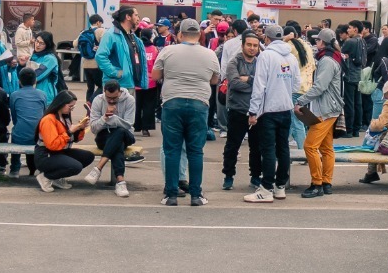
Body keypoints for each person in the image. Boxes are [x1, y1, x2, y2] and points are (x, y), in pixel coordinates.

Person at [152, 18, 222, 206]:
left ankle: (171, 194)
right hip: (199, 104)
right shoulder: (210, 54)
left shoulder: (168, 51)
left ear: (180, 35)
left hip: (172, 103)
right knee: (195, 151)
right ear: (199, 35)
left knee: (172, 150)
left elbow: (155, 75)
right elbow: (215, 80)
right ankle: (196, 195)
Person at [245, 23, 299, 202]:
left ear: (266, 39)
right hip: (286, 108)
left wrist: (253, 111)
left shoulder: (266, 56)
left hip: (268, 110)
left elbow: (259, 86)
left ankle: (266, 188)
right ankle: (280, 186)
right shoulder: (291, 57)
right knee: (283, 148)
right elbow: (297, 84)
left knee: (268, 149)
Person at [299, 27, 346, 198]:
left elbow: (320, 87)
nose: (315, 42)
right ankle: (326, 182)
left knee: (309, 146)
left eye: (317, 40)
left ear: (323, 42)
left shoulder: (326, 60)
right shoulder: (333, 58)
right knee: (326, 148)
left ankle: (316, 184)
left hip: (326, 109)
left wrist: (300, 101)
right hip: (331, 108)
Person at [221, 32, 263, 191]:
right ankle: (228, 176)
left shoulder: (261, 62)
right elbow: (234, 83)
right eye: (249, 45)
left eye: (255, 45)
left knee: (257, 147)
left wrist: (247, 78)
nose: (252, 48)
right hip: (237, 110)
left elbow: (264, 85)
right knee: (232, 146)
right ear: (242, 45)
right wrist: (254, 81)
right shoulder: (234, 62)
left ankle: (255, 176)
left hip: (257, 111)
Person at [82, 81, 140, 196]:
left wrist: (113, 119)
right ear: (104, 92)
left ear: (120, 92)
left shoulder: (129, 100)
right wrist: (104, 118)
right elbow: (93, 129)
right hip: (104, 136)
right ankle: (120, 181)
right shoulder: (98, 100)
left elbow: (129, 124)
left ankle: (99, 167)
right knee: (117, 144)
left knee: (119, 132)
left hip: (126, 135)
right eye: (109, 98)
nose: (112, 101)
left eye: (115, 98)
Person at [31, 90, 95, 190]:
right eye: (70, 106)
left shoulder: (64, 117)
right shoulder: (48, 119)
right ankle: (46, 177)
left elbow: (75, 139)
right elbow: (52, 145)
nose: (71, 109)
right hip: (45, 155)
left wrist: (80, 128)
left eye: (73, 107)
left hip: (60, 151)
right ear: (61, 103)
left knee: (88, 156)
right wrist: (69, 132)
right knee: (76, 167)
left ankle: (56, 177)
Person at [9, 66, 47, 178]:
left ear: (19, 81)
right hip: (38, 137)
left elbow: (14, 117)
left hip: (21, 136)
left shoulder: (14, 95)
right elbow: (44, 115)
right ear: (35, 80)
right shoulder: (42, 94)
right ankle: (41, 168)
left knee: (15, 132)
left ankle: (15, 169)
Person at [338, 21, 367, 138]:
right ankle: (356, 129)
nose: (348, 30)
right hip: (359, 76)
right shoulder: (362, 41)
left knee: (349, 104)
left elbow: (340, 55)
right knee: (358, 103)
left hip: (349, 76)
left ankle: (348, 130)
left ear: (355, 29)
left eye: (349, 28)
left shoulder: (350, 42)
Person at [76, 15, 105, 101]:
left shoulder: (84, 32)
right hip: (96, 64)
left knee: (90, 88)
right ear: (98, 22)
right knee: (101, 86)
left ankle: (88, 104)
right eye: (100, 23)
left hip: (85, 64)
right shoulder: (101, 31)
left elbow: (75, 43)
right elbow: (105, 44)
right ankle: (91, 102)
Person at [30, 31, 63, 100]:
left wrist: (24, 77)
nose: (38, 45)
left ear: (47, 45)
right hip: (33, 94)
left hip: (45, 96)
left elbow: (38, 75)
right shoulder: (33, 56)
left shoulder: (50, 58)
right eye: (37, 41)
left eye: (42, 43)